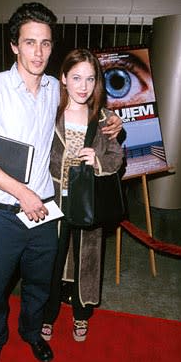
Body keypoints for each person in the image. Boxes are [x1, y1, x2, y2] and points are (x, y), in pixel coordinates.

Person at [0, 2, 122, 362]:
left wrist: (112, 120)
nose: (38, 52)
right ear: (14, 45)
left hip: (46, 212)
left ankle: (33, 333)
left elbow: (86, 107)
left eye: (46, 44)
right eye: (30, 42)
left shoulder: (55, 88)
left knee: (39, 282)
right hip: (3, 214)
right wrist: (23, 192)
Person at [41, 48, 124, 342]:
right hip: (52, 199)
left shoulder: (103, 118)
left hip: (89, 199)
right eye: (76, 77)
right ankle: (47, 313)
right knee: (51, 258)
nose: (83, 86)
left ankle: (81, 313)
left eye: (90, 79)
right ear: (63, 78)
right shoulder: (49, 112)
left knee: (87, 259)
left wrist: (98, 162)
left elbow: (117, 157)